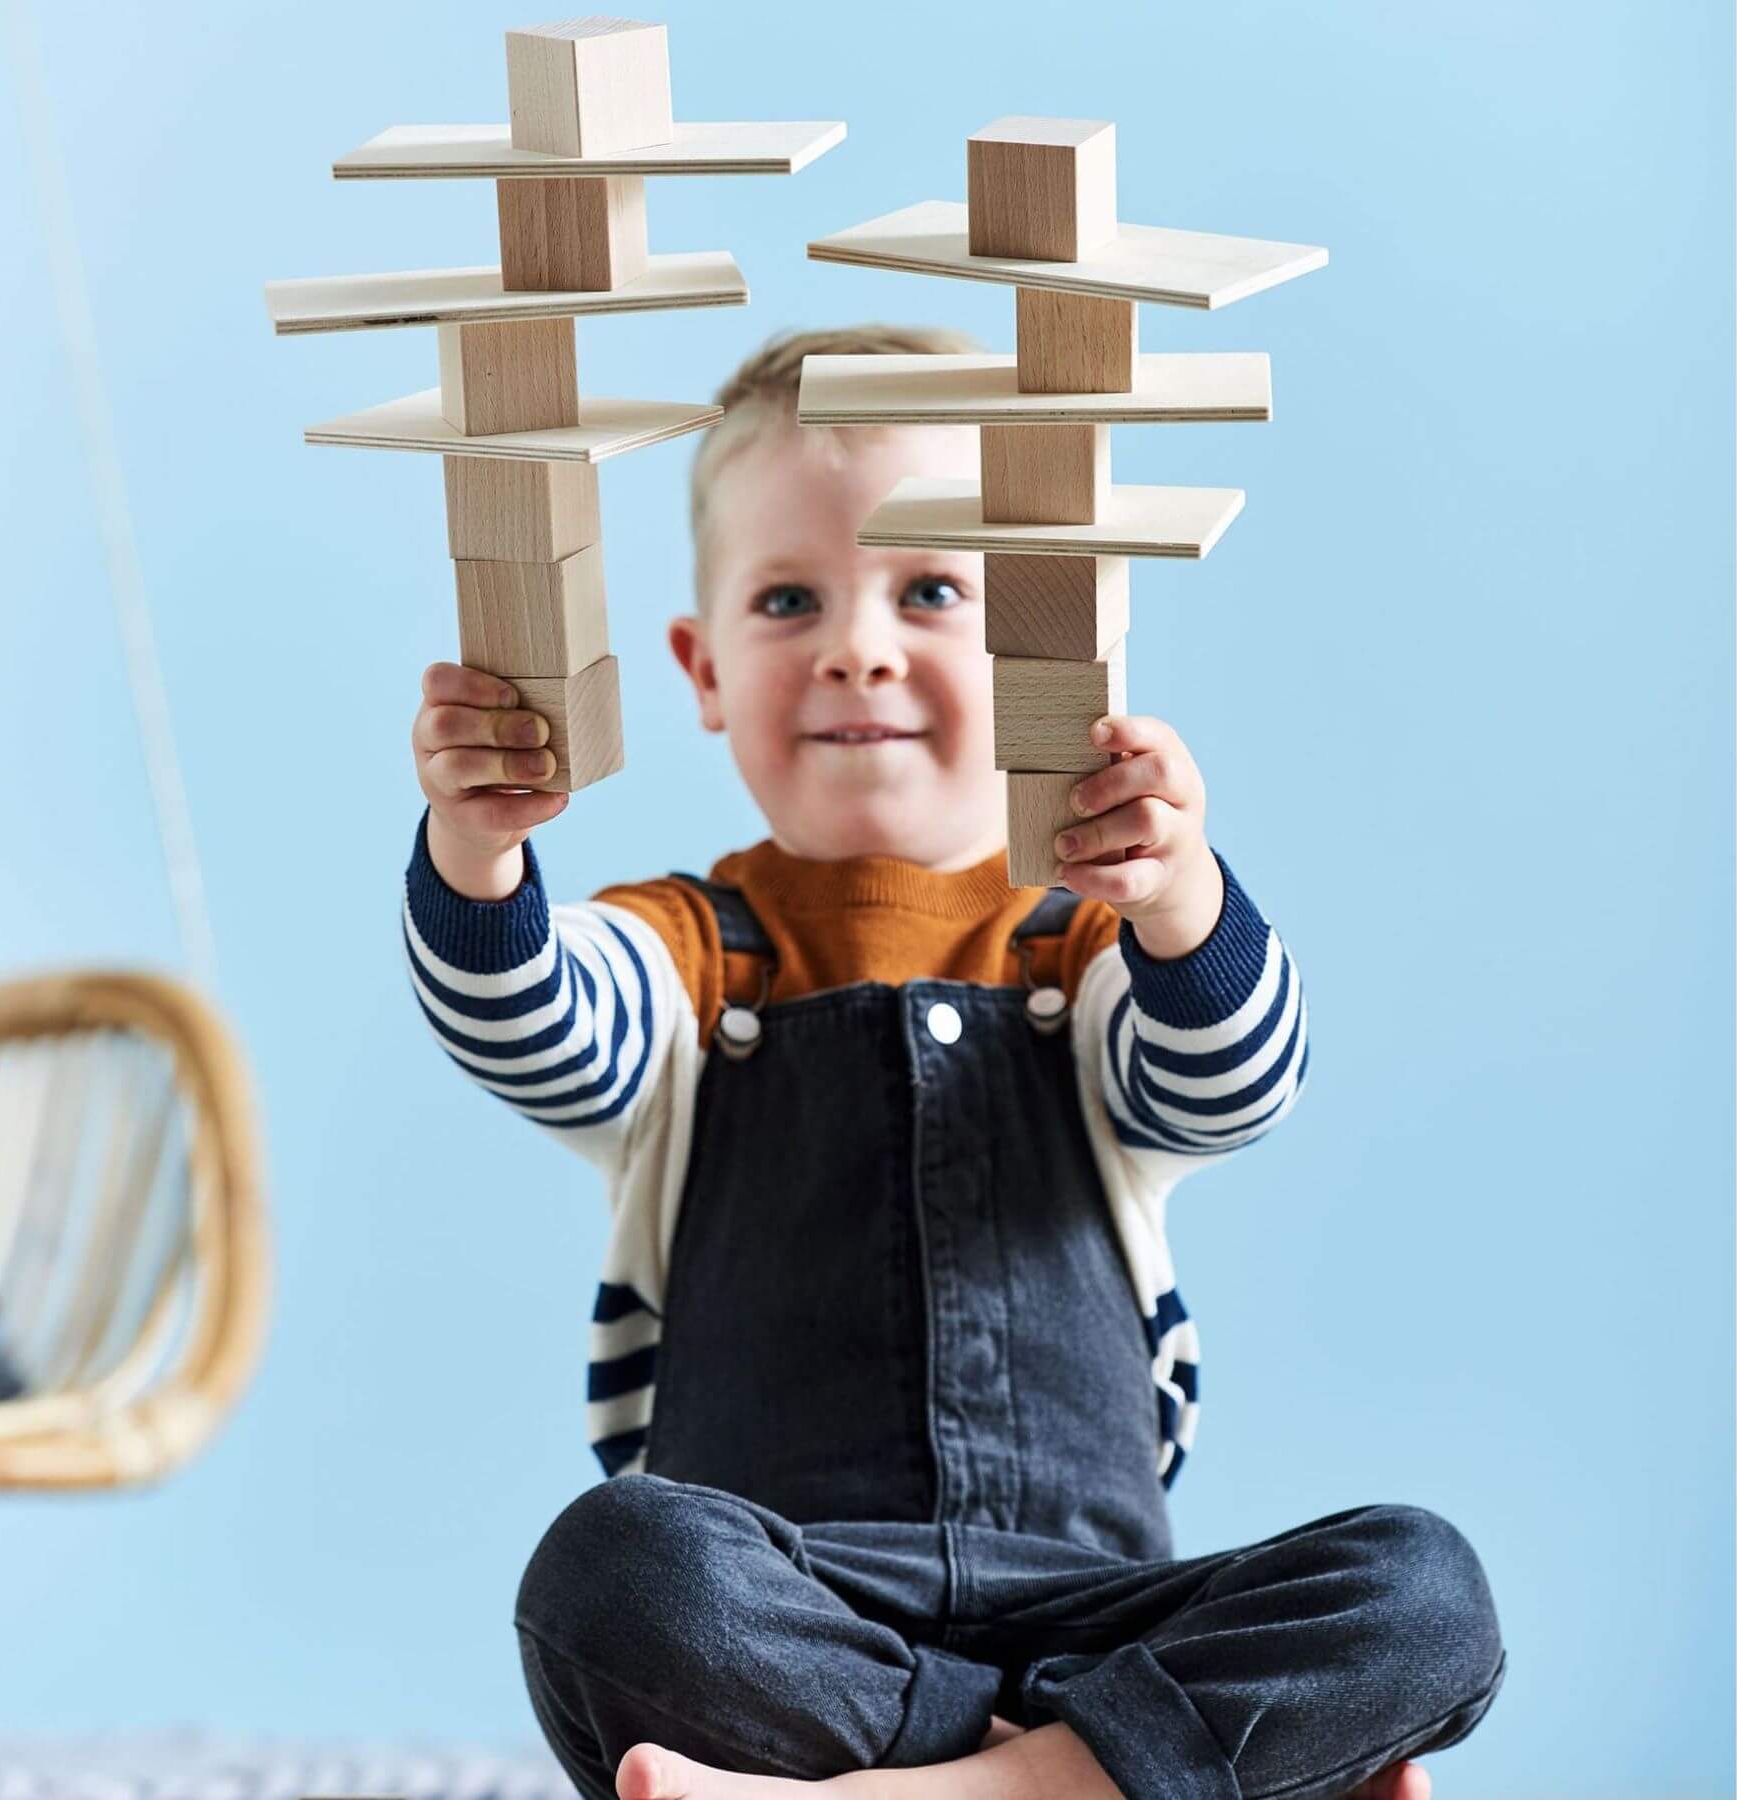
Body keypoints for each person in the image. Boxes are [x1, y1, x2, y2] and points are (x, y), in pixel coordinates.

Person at [401, 325, 1506, 1800]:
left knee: (1424, 1591)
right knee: (611, 1575)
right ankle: (1095, 1780)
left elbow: (1230, 1080)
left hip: (1098, 1616)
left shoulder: (1074, 949)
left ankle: (957, 1790)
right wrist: (477, 852)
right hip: (804, 1606)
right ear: (703, 666)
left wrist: (1179, 898)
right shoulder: (688, 951)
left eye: (930, 589)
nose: (857, 643)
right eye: (788, 598)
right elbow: (535, 1021)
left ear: (1038, 643)